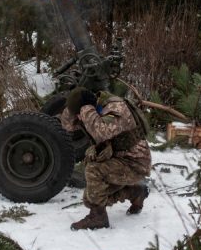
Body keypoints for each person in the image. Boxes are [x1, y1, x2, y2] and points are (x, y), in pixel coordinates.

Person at [60, 86, 151, 230]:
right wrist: (75, 111)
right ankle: (135, 192)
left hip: (135, 162)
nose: (79, 118)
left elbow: (100, 133)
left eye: (80, 113)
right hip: (119, 159)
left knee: (93, 170)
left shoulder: (116, 107)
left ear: (89, 107)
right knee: (90, 197)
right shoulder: (96, 107)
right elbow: (67, 125)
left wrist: (86, 110)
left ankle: (98, 217)